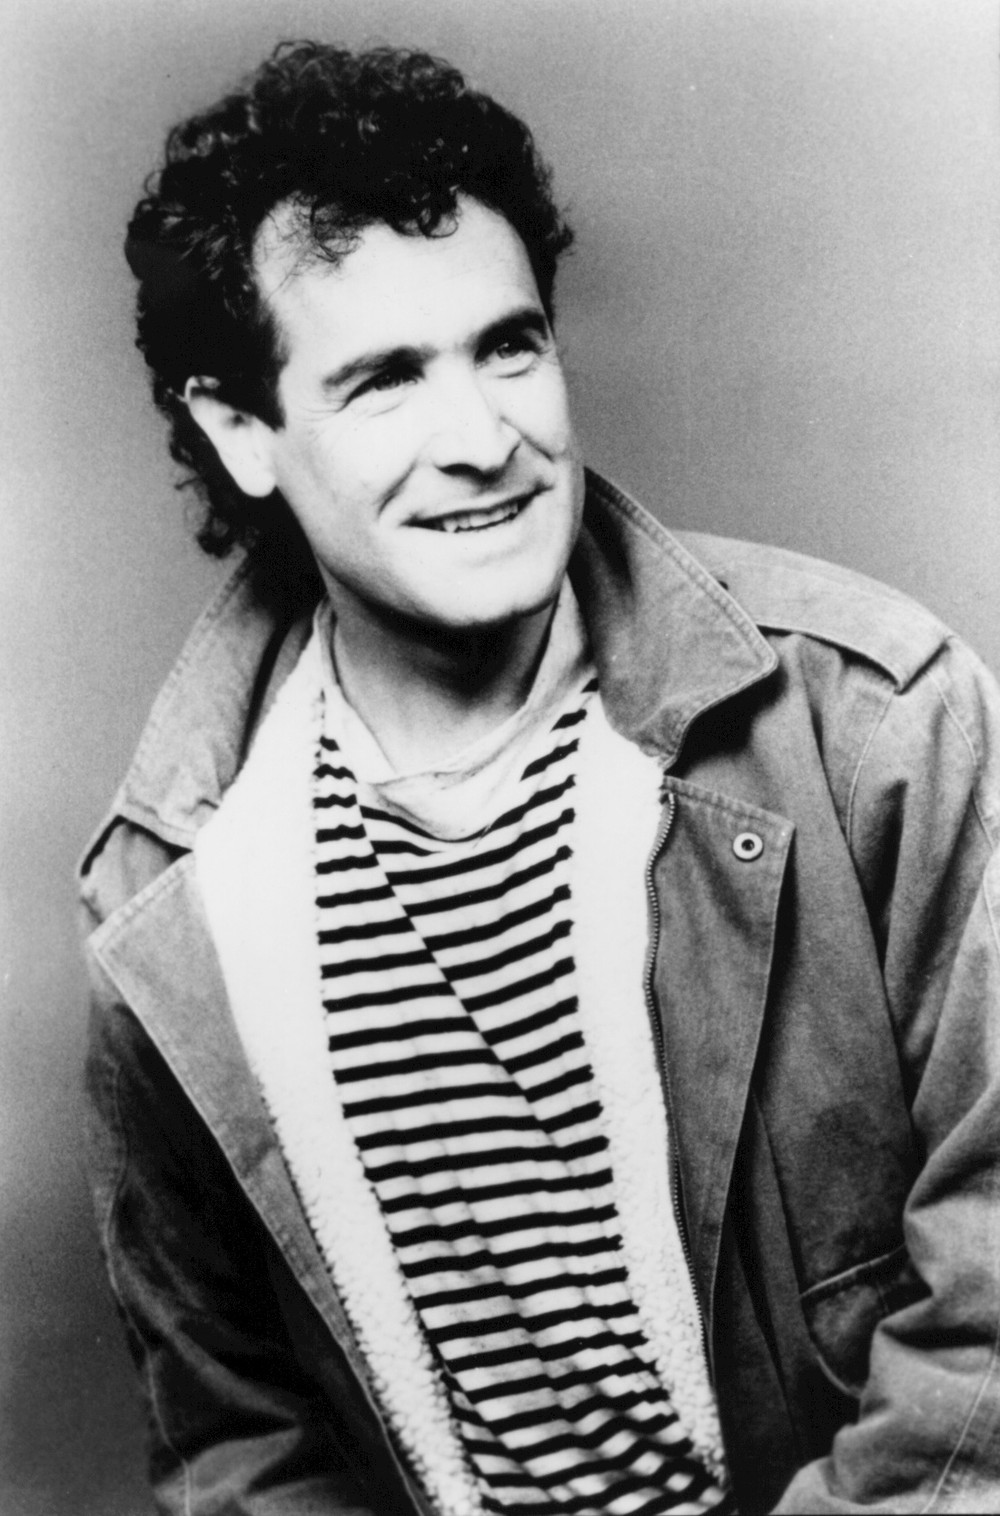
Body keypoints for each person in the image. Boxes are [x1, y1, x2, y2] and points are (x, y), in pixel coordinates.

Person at [78, 39, 1000, 1516]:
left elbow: (990, 1307)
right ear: (240, 431)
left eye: (508, 347)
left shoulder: (876, 719)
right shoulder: (172, 901)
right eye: (385, 380)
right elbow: (236, 1440)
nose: (485, 441)